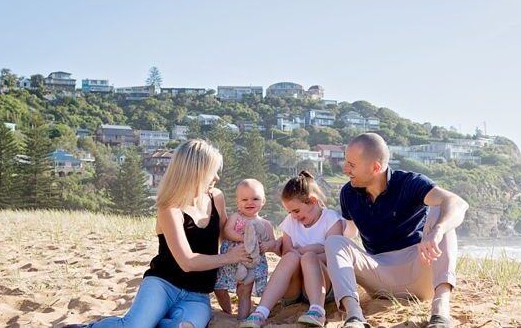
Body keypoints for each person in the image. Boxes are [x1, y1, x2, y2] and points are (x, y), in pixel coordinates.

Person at [62, 139, 251, 328]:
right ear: (196, 172)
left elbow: (225, 234)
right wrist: (228, 258)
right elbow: (187, 262)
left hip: (197, 293)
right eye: (212, 172)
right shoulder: (169, 207)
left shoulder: (216, 197)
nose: (217, 177)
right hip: (163, 284)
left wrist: (254, 233)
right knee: (135, 326)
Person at [325, 133, 468, 328]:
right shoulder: (348, 193)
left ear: (375, 167)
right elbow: (349, 234)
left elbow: (458, 203)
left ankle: (440, 313)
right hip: (379, 275)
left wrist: (438, 231)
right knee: (334, 241)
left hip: (419, 269)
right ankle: (354, 317)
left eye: (352, 164)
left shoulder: (409, 183)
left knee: (440, 212)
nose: (345, 169)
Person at [239, 171, 344, 328]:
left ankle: (317, 311)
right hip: (294, 289)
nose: (293, 216)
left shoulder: (331, 219)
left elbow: (334, 256)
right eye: (289, 212)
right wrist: (313, 249)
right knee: (291, 258)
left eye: (296, 211)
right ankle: (261, 312)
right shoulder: (291, 222)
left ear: (313, 201)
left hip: (322, 287)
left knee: (308, 258)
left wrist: (308, 252)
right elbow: (288, 253)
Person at [215, 179, 281, 318]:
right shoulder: (236, 217)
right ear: (237, 202)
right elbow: (227, 231)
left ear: (263, 201)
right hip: (231, 261)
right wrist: (244, 239)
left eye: (255, 199)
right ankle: (227, 312)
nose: (250, 202)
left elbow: (273, 242)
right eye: (244, 199)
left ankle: (242, 318)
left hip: (252, 263)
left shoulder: (265, 224)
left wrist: (266, 245)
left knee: (244, 291)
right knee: (219, 288)